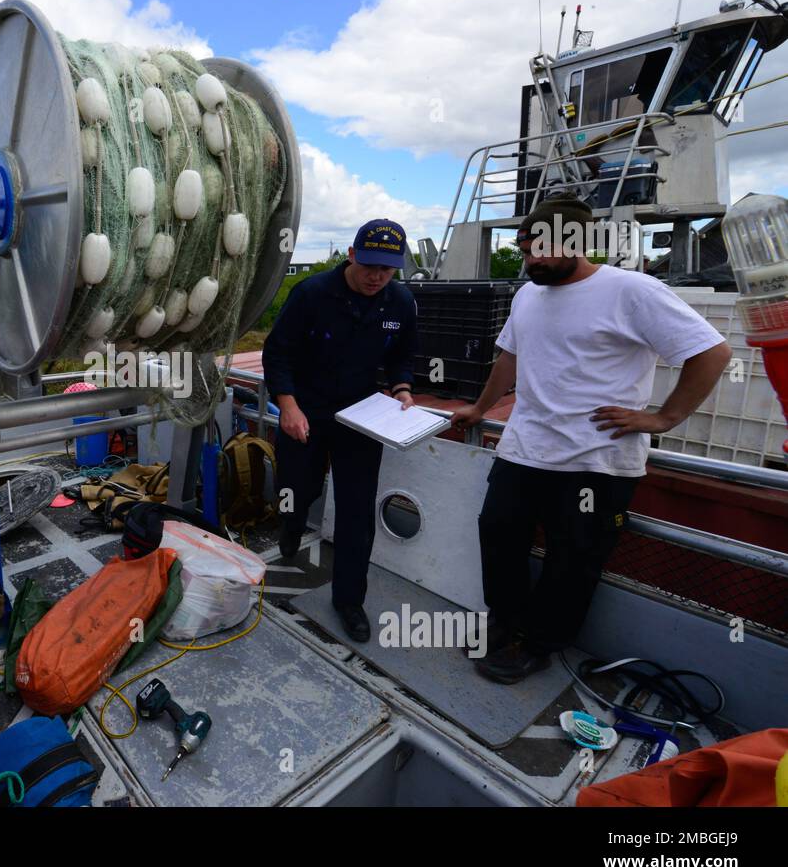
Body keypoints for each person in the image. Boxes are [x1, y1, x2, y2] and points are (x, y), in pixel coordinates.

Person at [452, 197, 731, 684]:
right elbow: (508, 359)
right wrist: (479, 408)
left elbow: (711, 351)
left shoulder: (632, 291)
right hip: (524, 449)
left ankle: (538, 644)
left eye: (543, 250)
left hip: (596, 460)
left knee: (573, 559)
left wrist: (664, 418)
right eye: (525, 249)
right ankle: (504, 623)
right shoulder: (527, 294)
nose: (532, 260)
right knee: (499, 535)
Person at [262, 219, 419, 642]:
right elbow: (277, 354)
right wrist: (288, 406)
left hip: (361, 418)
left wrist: (402, 388)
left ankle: (349, 600)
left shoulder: (401, 302)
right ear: (351, 255)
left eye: (387, 269)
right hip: (306, 412)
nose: (376, 277)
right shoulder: (311, 294)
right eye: (369, 265)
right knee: (297, 488)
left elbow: (404, 356)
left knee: (356, 512)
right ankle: (291, 524)